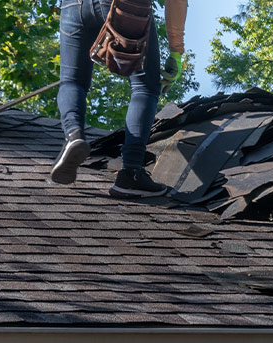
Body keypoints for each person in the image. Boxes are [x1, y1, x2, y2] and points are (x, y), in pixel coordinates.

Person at [51, 0, 188, 197]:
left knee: (72, 82)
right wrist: (176, 50)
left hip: (72, 6)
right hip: (122, 4)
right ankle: (130, 172)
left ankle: (73, 136)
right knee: (145, 87)